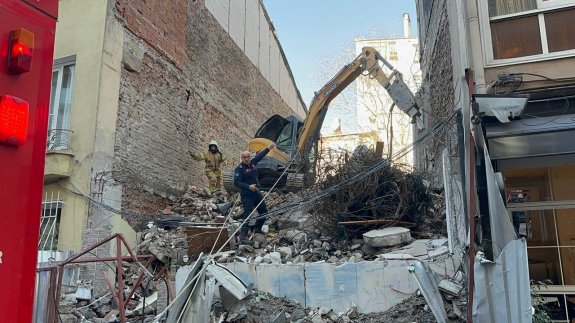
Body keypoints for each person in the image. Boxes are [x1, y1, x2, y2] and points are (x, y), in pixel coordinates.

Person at [234, 143, 275, 244]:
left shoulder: (253, 163)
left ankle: (257, 229)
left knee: (264, 212)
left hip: (256, 193)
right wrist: (248, 187)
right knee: (247, 214)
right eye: (244, 157)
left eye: (248, 157)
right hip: (247, 195)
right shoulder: (239, 169)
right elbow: (236, 182)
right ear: (241, 158)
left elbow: (259, 156)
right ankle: (243, 237)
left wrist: (268, 148)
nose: (247, 159)